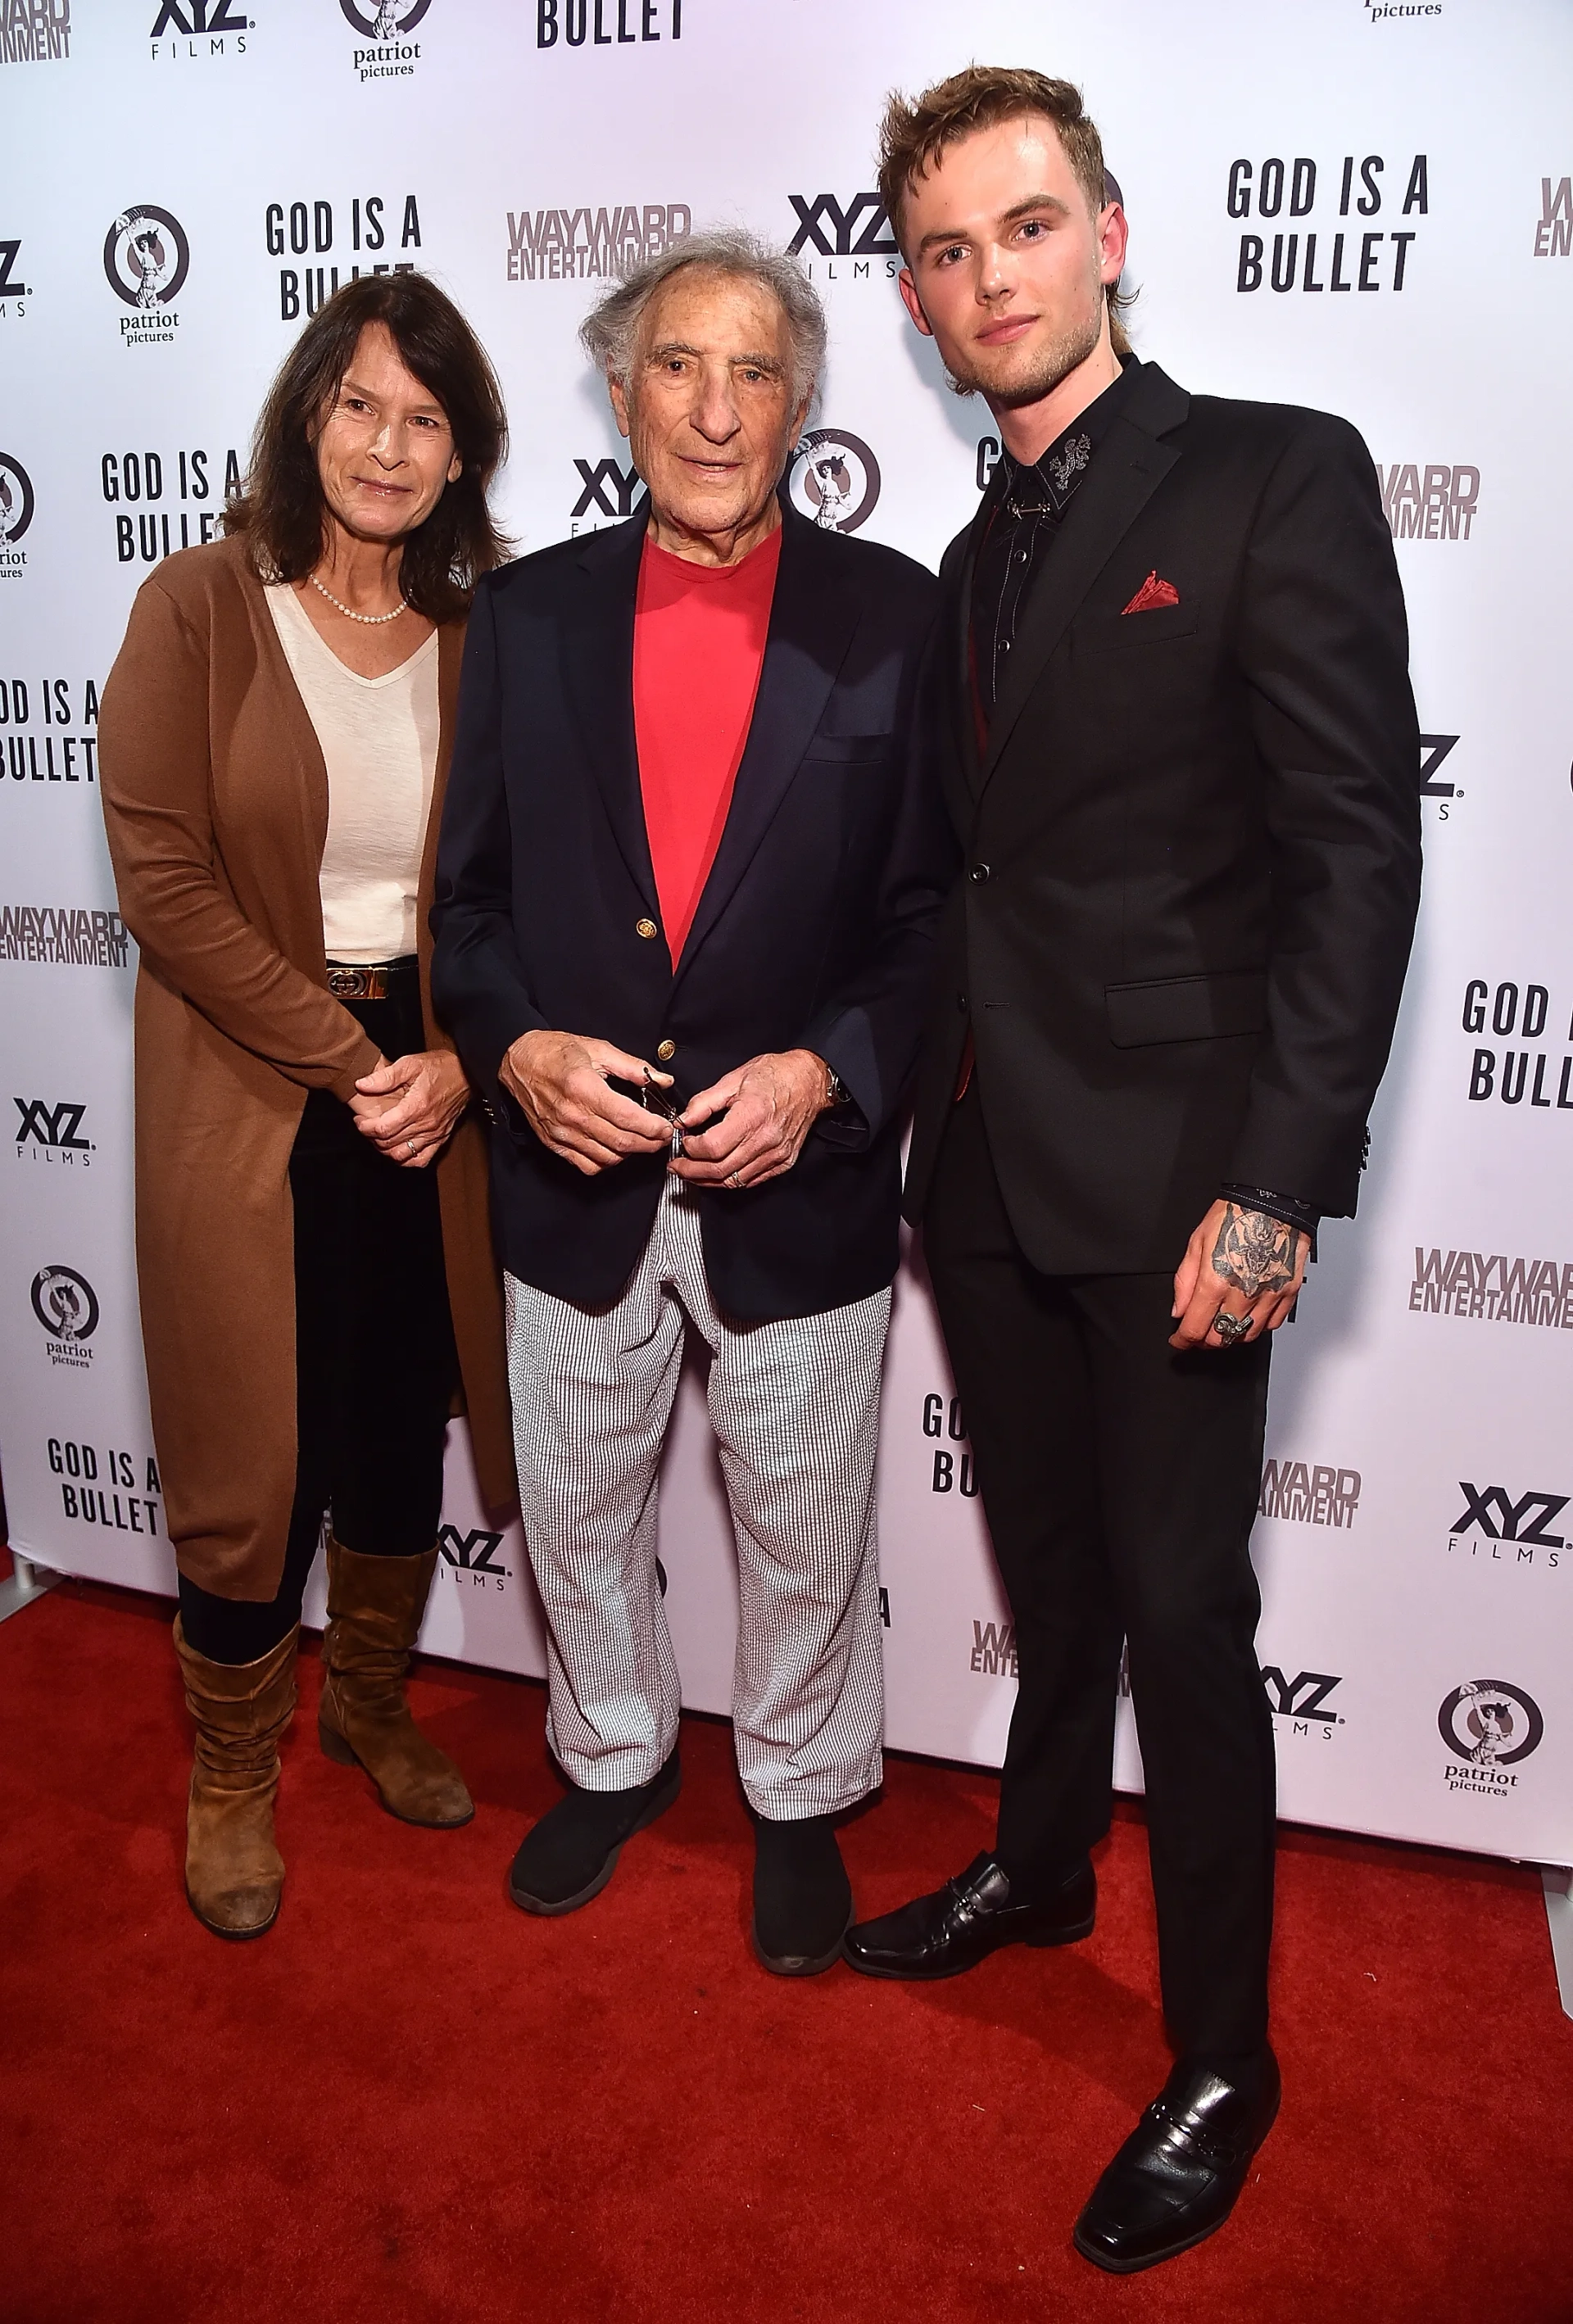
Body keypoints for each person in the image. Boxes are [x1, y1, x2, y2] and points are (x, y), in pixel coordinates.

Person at [841, 69, 1421, 2272]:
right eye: (947, 249)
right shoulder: (965, 555)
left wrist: (1275, 1183)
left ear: (1108, 231)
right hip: (983, 1162)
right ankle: (1042, 1863)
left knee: (1185, 1611)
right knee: (1051, 1568)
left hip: (1186, 1179)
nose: (989, 276)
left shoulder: (1276, 472)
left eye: (1025, 225)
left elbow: (1355, 850)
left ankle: (1220, 2057)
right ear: (918, 290)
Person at [432, 229, 949, 1976]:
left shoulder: (901, 615)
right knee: (574, 1496)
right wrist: (512, 1052)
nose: (714, 408)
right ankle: (612, 1752)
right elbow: (472, 905)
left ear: (798, 400)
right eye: (676, 365)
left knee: (805, 1510)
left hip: (796, 1172)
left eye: (750, 371)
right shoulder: (528, 611)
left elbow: (932, 916)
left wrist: (825, 1076)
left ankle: (799, 1789)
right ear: (621, 389)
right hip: (569, 1168)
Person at [99, 274, 518, 1941]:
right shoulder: (198, 603)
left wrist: (463, 1064)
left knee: (399, 1407)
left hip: (440, 1090)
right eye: (360, 403)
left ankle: (369, 1696)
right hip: (255, 1088)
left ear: (460, 454)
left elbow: (521, 890)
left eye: (425, 417)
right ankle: (227, 1772)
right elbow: (167, 885)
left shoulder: (486, 636)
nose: (387, 444)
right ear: (306, 415)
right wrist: (358, 1066)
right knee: (246, 1445)